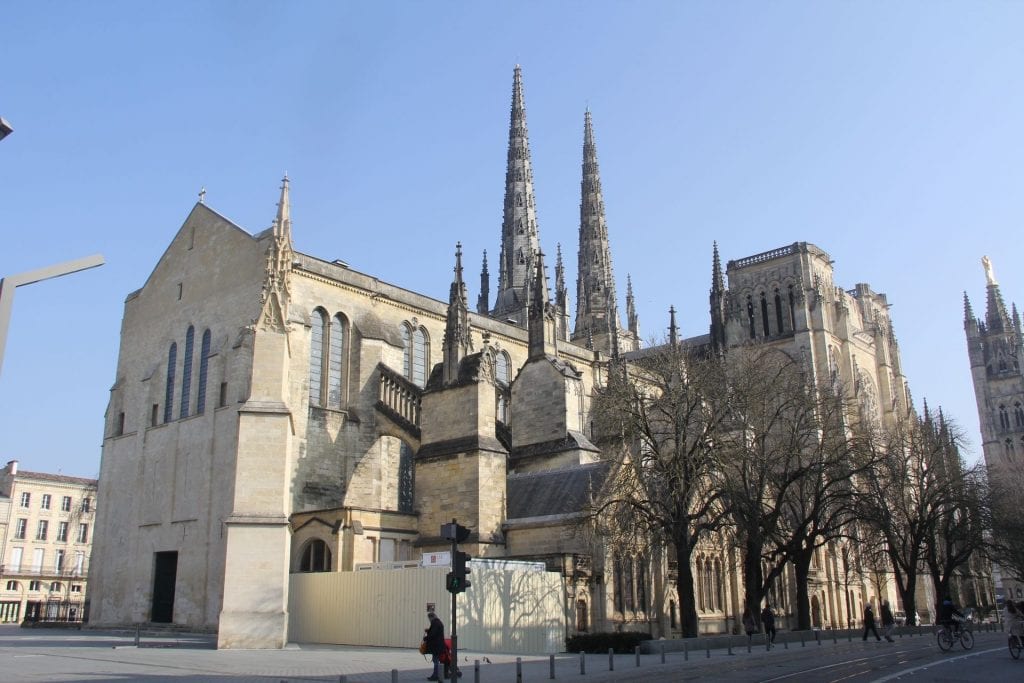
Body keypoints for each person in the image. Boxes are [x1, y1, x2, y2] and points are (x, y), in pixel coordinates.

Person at [423, 611, 446, 681]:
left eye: (429, 618)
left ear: (431, 617)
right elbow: (434, 632)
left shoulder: (435, 623)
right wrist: (428, 630)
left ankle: (435, 675)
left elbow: (433, 634)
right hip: (439, 645)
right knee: (435, 660)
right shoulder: (438, 622)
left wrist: (426, 638)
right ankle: (436, 674)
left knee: (435, 661)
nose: (429, 620)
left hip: (436, 646)